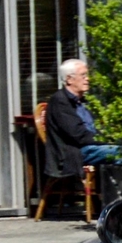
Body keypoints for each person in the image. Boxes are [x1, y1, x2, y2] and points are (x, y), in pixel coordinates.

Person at [42, 58, 95, 206]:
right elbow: (78, 135)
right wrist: (108, 139)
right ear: (69, 79)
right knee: (120, 152)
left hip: (89, 145)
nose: (87, 79)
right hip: (73, 152)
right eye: (83, 75)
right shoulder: (60, 101)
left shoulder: (84, 101)